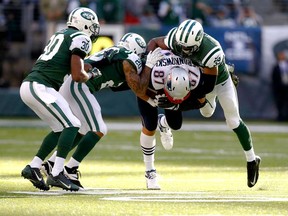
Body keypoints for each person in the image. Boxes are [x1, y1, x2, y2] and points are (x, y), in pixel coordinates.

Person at [147, 19, 261, 188]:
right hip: (196, 78)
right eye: (181, 46)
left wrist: (179, 103)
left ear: (198, 43)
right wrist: (149, 57)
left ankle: (252, 159)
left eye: (188, 48)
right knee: (206, 112)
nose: (183, 51)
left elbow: (206, 87)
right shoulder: (175, 39)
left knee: (233, 121)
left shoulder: (210, 51)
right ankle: (164, 122)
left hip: (218, 82)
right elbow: (154, 42)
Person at [40, 33, 164, 189]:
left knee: (82, 128)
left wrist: (150, 100)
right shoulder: (129, 57)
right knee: (99, 128)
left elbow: (134, 87)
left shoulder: (117, 57)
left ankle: (51, 163)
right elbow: (139, 87)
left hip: (72, 84)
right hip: (79, 86)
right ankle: (69, 169)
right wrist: (148, 67)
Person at [20, 7, 101, 191]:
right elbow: (77, 75)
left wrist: (85, 68)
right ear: (85, 24)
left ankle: (33, 166)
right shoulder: (81, 38)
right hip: (40, 86)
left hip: (32, 85)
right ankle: (56, 173)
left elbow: (71, 64)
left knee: (60, 128)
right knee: (73, 124)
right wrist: (91, 75)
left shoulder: (63, 34)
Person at [137, 49, 205, 189]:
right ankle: (150, 172)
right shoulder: (155, 75)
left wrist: (176, 103)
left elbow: (201, 101)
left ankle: (163, 123)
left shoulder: (194, 75)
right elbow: (139, 88)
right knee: (149, 126)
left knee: (176, 124)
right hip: (150, 87)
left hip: (174, 81)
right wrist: (151, 100)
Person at [271, 50, 288, 121]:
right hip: (279, 88)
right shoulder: (276, 66)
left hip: (287, 87)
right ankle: (280, 117)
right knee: (279, 103)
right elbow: (274, 77)